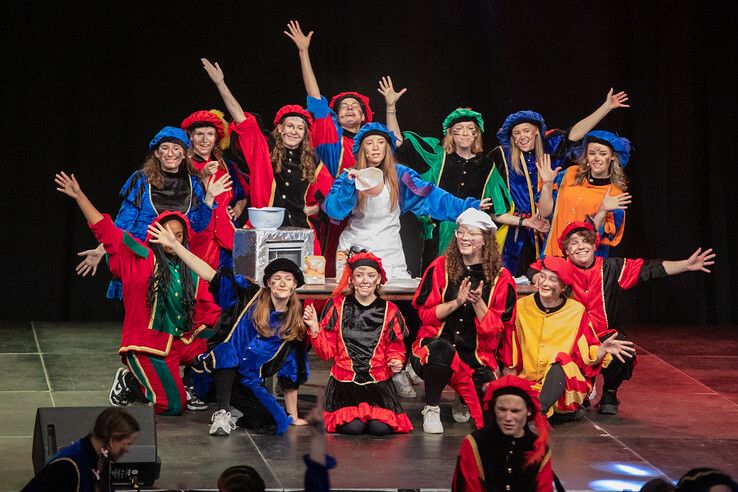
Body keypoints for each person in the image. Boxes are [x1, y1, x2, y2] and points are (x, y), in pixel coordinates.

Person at [55, 171, 230, 415]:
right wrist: (80, 196)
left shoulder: (189, 270)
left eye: (178, 236)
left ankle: (187, 385)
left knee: (226, 341)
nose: (171, 240)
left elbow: (208, 307)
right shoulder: (140, 257)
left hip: (180, 342)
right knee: (172, 407)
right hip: (149, 345)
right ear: (156, 234)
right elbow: (106, 230)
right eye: (166, 234)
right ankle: (132, 382)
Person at [551, 220, 715, 414]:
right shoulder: (558, 270)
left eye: (585, 241)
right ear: (566, 251)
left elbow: (650, 269)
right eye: (573, 243)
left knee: (624, 350)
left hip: (606, 334)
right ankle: (581, 391)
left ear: (594, 245)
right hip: (574, 338)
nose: (580, 247)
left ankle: (610, 392)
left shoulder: (612, 267)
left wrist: (685, 265)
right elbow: (533, 273)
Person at [324, 122, 493, 281]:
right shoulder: (350, 175)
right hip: (355, 247)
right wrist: (348, 184)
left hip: (388, 251)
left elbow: (431, 196)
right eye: (369, 143)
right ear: (362, 148)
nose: (375, 147)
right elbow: (333, 210)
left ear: (387, 147)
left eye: (381, 142)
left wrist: (468, 206)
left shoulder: (401, 175)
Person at [74, 127, 229, 298]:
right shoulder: (141, 179)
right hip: (141, 258)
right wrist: (101, 249)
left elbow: (197, 225)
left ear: (184, 154)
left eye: (176, 148)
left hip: (174, 261)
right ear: (156, 153)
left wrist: (209, 198)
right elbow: (123, 223)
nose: (170, 153)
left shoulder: (193, 183)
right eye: (165, 148)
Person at [490, 89, 630, 274]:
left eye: (527, 131)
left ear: (536, 133)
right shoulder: (501, 157)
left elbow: (574, 133)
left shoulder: (551, 147)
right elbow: (494, 203)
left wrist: (606, 107)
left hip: (549, 230)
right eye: (517, 133)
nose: (522, 136)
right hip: (515, 230)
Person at [202, 58, 334, 253]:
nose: (294, 131)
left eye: (300, 128)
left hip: (301, 234)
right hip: (262, 234)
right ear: (279, 128)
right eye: (290, 126)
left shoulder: (311, 160)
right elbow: (241, 119)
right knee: (255, 283)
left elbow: (330, 194)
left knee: (306, 283)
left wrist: (315, 209)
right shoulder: (264, 148)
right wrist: (221, 84)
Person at [412, 208, 517, 433]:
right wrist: (457, 302)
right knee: (441, 349)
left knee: (488, 420)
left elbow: (496, 330)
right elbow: (425, 315)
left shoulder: (501, 278)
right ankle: (432, 407)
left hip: (476, 356)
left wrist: (478, 303)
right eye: (460, 232)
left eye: (472, 233)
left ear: (485, 240)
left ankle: (463, 395)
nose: (464, 238)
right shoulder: (440, 266)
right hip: (436, 350)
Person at [284, 20, 375, 275]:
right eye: (343, 106)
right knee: (328, 273)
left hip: (367, 217)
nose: (348, 108)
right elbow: (315, 100)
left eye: (354, 106)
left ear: (364, 117)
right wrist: (304, 52)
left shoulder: (374, 144)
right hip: (333, 217)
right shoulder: (330, 138)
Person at [501, 256, 635, 423]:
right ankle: (561, 415)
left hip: (564, 384)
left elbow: (586, 347)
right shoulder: (522, 306)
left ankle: (540, 413)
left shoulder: (576, 311)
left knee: (562, 361)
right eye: (542, 276)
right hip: (528, 379)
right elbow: (510, 341)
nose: (545, 283)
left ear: (563, 286)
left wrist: (600, 350)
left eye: (553, 279)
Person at [390, 97, 519, 264]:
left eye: (470, 129)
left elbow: (498, 210)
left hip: (471, 235)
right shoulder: (438, 156)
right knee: (437, 280)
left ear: (476, 134)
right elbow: (398, 142)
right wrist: (390, 107)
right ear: (451, 133)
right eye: (459, 128)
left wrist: (525, 222)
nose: (465, 133)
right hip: (438, 234)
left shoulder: (486, 166)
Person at [303, 251, 413, 435]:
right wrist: (315, 328)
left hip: (378, 384)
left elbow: (395, 348)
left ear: (379, 280)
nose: (365, 280)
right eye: (359, 275)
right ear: (352, 279)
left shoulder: (390, 311)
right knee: (353, 428)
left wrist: (396, 361)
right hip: (345, 382)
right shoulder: (337, 306)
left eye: (371, 276)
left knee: (380, 429)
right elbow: (327, 353)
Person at [538, 130, 632, 258]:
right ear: (586, 156)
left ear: (612, 156)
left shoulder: (615, 194)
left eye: (603, 154)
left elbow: (600, 237)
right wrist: (548, 185)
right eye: (592, 153)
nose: (596, 158)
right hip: (554, 255)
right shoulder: (569, 174)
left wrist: (602, 211)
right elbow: (545, 213)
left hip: (584, 262)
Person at [452, 375, 553, 492]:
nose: (508, 417)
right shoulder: (475, 444)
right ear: (494, 409)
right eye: (502, 410)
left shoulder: (539, 448)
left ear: (528, 411)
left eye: (515, 411)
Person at [22, 407, 139, 492]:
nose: (128, 449)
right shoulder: (68, 466)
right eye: (127, 443)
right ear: (112, 440)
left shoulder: (101, 458)